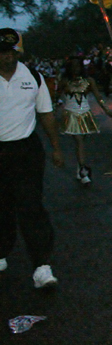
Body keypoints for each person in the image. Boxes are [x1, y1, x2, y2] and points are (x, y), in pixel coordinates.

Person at [0, 28, 64, 288]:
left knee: (31, 206)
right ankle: (1, 251)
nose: (7, 58)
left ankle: (41, 265)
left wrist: (56, 148)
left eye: (12, 52)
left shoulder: (33, 78)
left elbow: (46, 115)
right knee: (2, 205)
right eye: (3, 53)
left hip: (25, 150)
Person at [58, 56, 112, 185]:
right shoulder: (64, 81)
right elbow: (56, 96)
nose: (75, 68)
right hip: (71, 114)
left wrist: (107, 110)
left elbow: (98, 97)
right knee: (79, 141)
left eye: (78, 65)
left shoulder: (89, 81)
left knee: (81, 143)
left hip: (85, 114)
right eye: (73, 66)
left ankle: (80, 167)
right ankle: (83, 172)